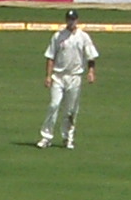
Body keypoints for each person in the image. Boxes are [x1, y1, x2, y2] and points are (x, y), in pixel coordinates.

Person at [37, 12, 98, 149]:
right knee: (54, 105)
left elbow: (91, 56)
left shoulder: (83, 37)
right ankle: (46, 137)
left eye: (73, 19)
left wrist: (91, 72)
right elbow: (50, 56)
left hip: (74, 77)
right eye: (69, 19)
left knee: (70, 110)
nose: (71, 22)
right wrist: (48, 76)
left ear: (77, 20)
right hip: (58, 76)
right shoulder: (58, 36)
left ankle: (68, 138)